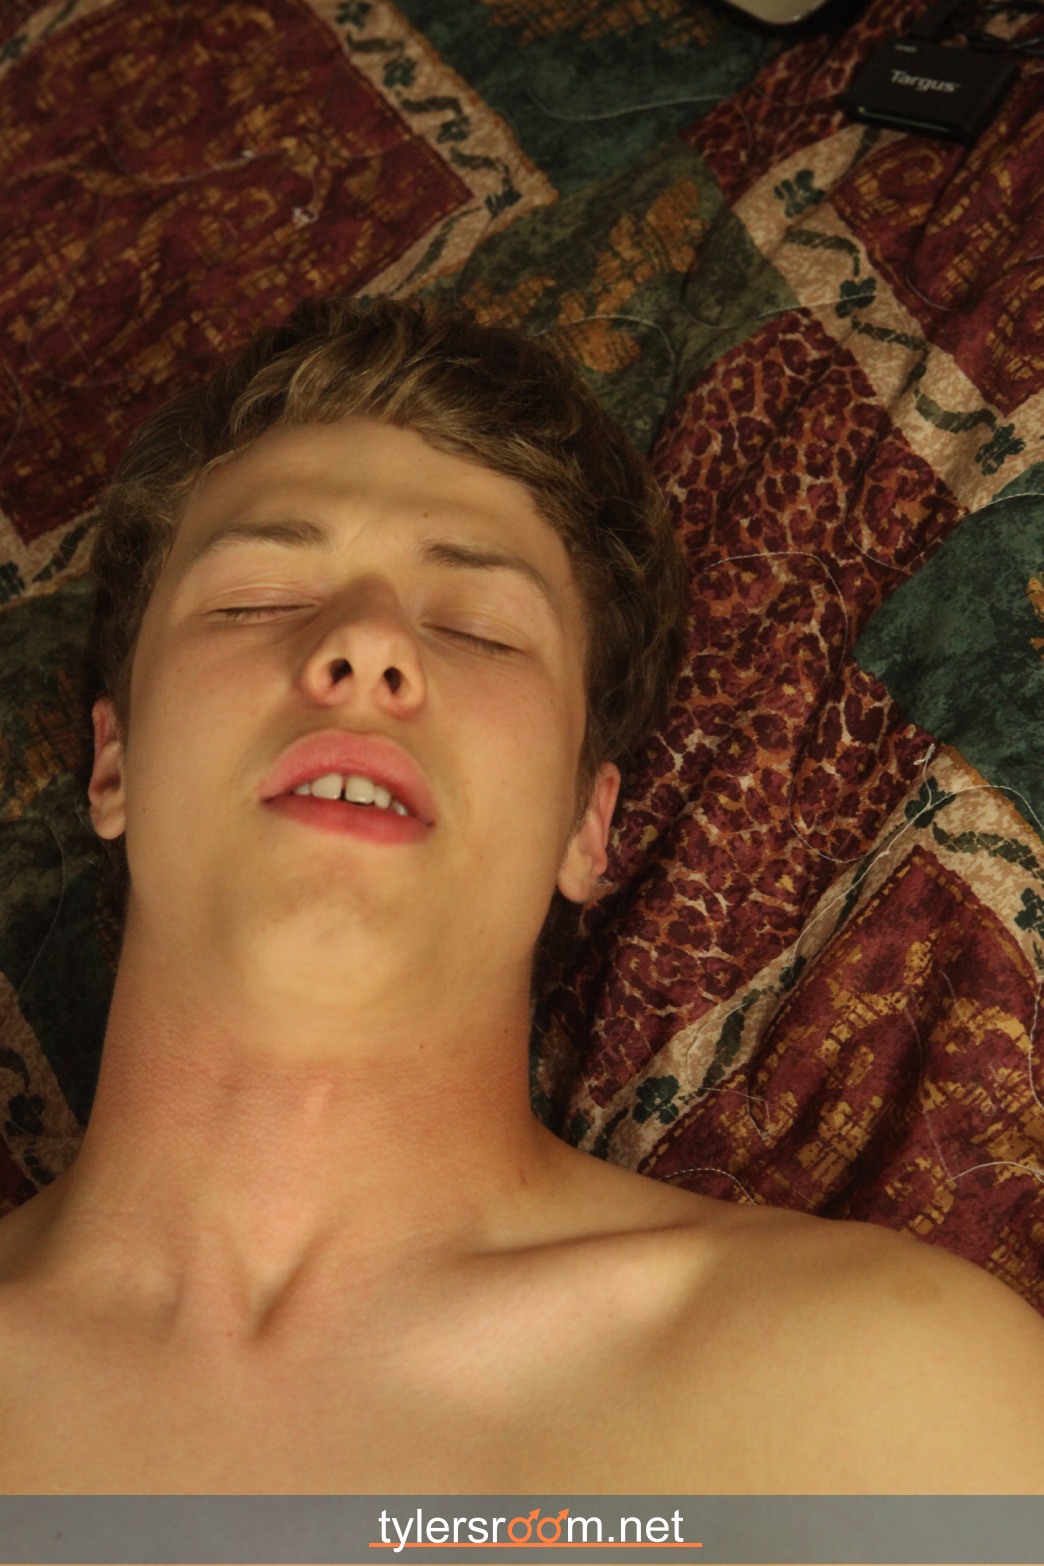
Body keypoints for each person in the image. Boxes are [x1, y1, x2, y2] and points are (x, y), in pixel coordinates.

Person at [0, 295, 1040, 1495]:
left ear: (587, 825)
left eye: (479, 628)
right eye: (257, 599)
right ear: (115, 762)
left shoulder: (891, 1400)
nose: (366, 647)